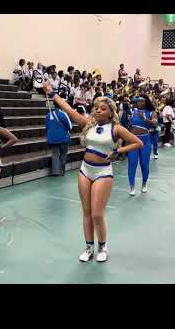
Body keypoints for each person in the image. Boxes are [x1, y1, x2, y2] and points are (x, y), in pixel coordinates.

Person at [44, 81, 142, 263]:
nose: (98, 111)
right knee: (86, 212)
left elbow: (138, 143)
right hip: (85, 170)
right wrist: (52, 94)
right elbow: (68, 109)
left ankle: (103, 246)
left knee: (98, 213)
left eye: (103, 109)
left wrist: (117, 152)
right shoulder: (88, 124)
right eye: (96, 108)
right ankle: (89, 247)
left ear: (111, 112)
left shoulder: (116, 129)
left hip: (103, 172)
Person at [127, 95, 158, 195]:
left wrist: (145, 119)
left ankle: (144, 184)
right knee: (132, 163)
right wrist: (128, 121)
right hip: (133, 141)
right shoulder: (132, 111)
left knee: (144, 164)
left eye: (142, 101)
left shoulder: (151, 112)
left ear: (146, 102)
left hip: (145, 140)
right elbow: (127, 126)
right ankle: (131, 186)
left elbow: (155, 124)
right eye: (138, 101)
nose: (140, 103)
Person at [46, 105, 72, 176]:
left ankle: (55, 172)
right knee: (63, 154)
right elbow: (70, 126)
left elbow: (47, 127)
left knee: (55, 155)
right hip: (64, 138)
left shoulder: (48, 115)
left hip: (52, 138)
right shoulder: (63, 114)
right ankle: (61, 171)